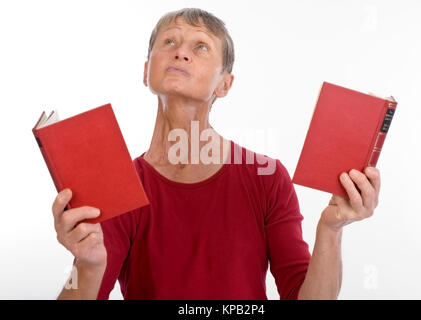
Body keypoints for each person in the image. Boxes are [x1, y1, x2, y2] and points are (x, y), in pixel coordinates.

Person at [53, 8, 381, 300]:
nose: (181, 53)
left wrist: (331, 230)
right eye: (169, 42)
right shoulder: (120, 186)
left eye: (200, 46)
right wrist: (88, 263)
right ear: (146, 71)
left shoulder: (266, 177)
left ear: (225, 84)